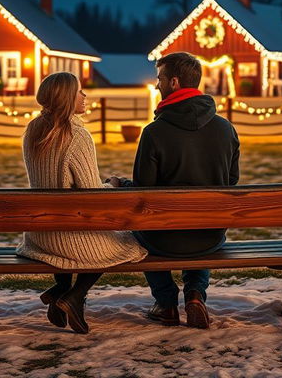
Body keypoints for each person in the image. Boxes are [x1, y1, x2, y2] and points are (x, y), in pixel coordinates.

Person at [108, 51, 239, 329]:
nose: (157, 85)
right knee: (201, 220)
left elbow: (144, 191)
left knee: (140, 233)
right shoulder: (226, 129)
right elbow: (232, 180)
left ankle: (166, 303)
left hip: (162, 239)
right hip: (210, 236)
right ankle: (194, 294)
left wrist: (121, 184)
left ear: (175, 82)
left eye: (160, 78)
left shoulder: (154, 132)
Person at [16, 72, 147, 334]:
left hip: (39, 234)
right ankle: (74, 296)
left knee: (72, 230)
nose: (84, 95)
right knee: (128, 245)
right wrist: (113, 184)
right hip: (68, 234)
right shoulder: (77, 136)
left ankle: (62, 288)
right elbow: (91, 195)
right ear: (66, 98)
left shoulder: (33, 129)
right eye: (79, 91)